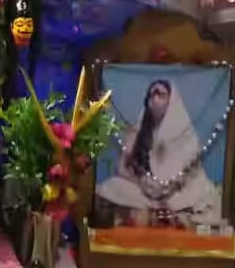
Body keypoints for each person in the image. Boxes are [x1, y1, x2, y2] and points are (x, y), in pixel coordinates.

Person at [95, 79, 222, 223]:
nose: (155, 99)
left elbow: (192, 170)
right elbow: (122, 167)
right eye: (151, 95)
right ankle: (157, 213)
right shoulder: (138, 132)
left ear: (171, 100)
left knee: (201, 191)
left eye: (160, 94)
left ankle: (164, 213)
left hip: (176, 193)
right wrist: (141, 182)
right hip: (143, 193)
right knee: (112, 187)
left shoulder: (185, 133)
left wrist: (169, 188)